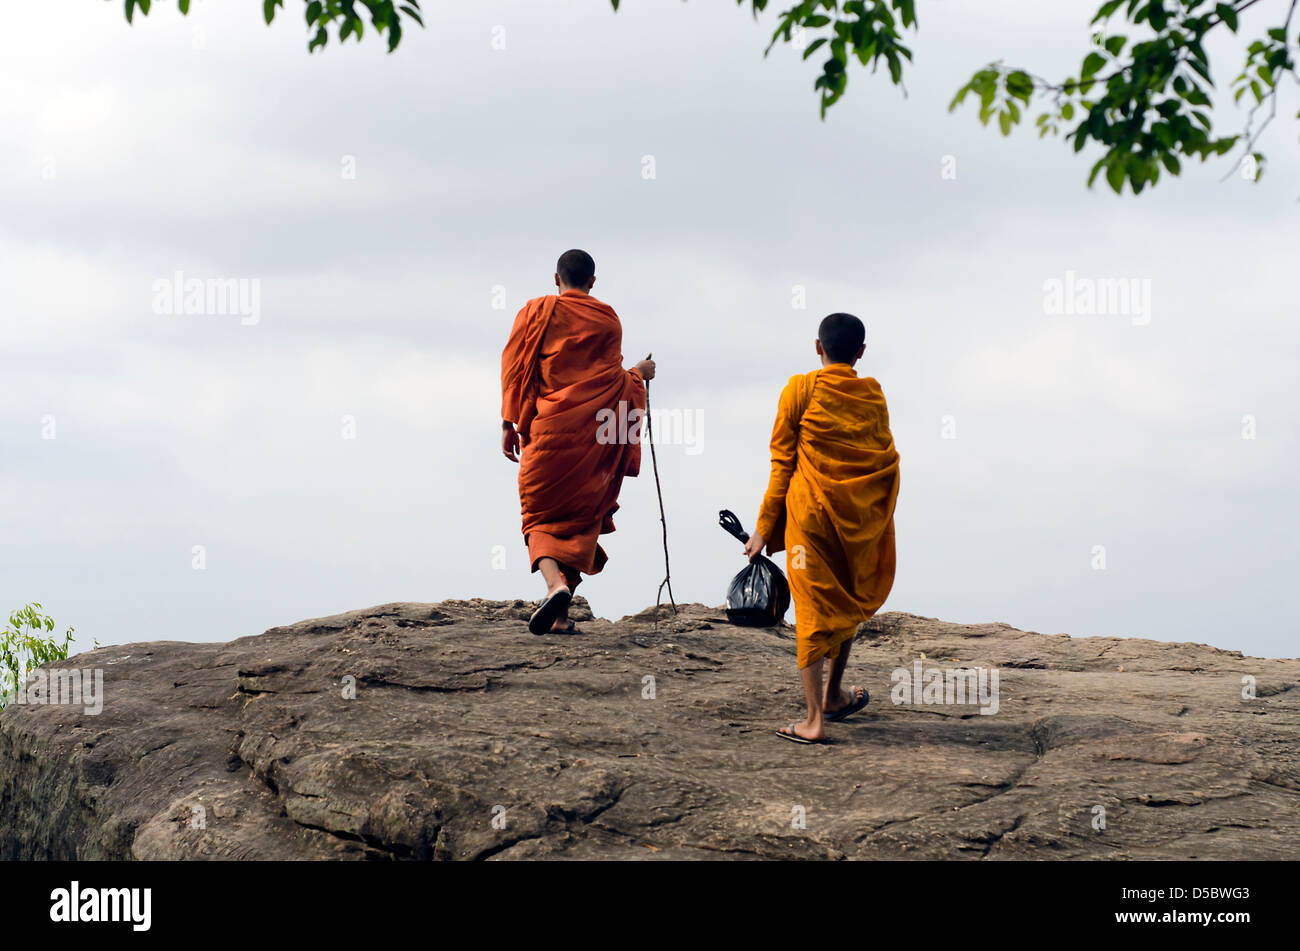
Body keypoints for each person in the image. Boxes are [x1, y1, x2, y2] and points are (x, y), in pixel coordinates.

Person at [742, 313, 901, 743]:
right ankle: (832, 694)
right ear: (861, 352)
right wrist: (875, 518)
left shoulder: (800, 390)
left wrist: (763, 529)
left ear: (818, 347)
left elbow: (782, 464)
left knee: (813, 611)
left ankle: (815, 718)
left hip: (809, 520)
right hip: (857, 521)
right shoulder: (873, 394)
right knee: (846, 599)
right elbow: (884, 461)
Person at [500, 249, 656, 634]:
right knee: (581, 519)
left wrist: (508, 422)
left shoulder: (535, 312)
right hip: (594, 440)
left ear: (557, 279)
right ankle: (560, 614)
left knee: (538, 517)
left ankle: (555, 587)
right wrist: (639, 373)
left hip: (548, 432)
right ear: (593, 282)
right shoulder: (607, 319)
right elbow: (614, 381)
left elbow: (514, 368)